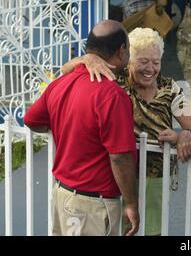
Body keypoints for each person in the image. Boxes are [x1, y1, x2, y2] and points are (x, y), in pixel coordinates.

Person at [61, 27, 191, 236]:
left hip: (156, 177)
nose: (150, 69)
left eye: (156, 62)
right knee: (119, 229)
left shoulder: (169, 88)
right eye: (143, 61)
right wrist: (86, 60)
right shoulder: (113, 80)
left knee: (152, 229)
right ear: (128, 59)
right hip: (118, 175)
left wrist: (186, 134)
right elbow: (65, 70)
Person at [24, 20, 140, 236]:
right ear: (121, 50)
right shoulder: (112, 95)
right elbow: (120, 157)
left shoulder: (61, 83)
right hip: (92, 206)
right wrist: (131, 203)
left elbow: (32, 120)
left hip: (63, 195)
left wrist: (64, 128)